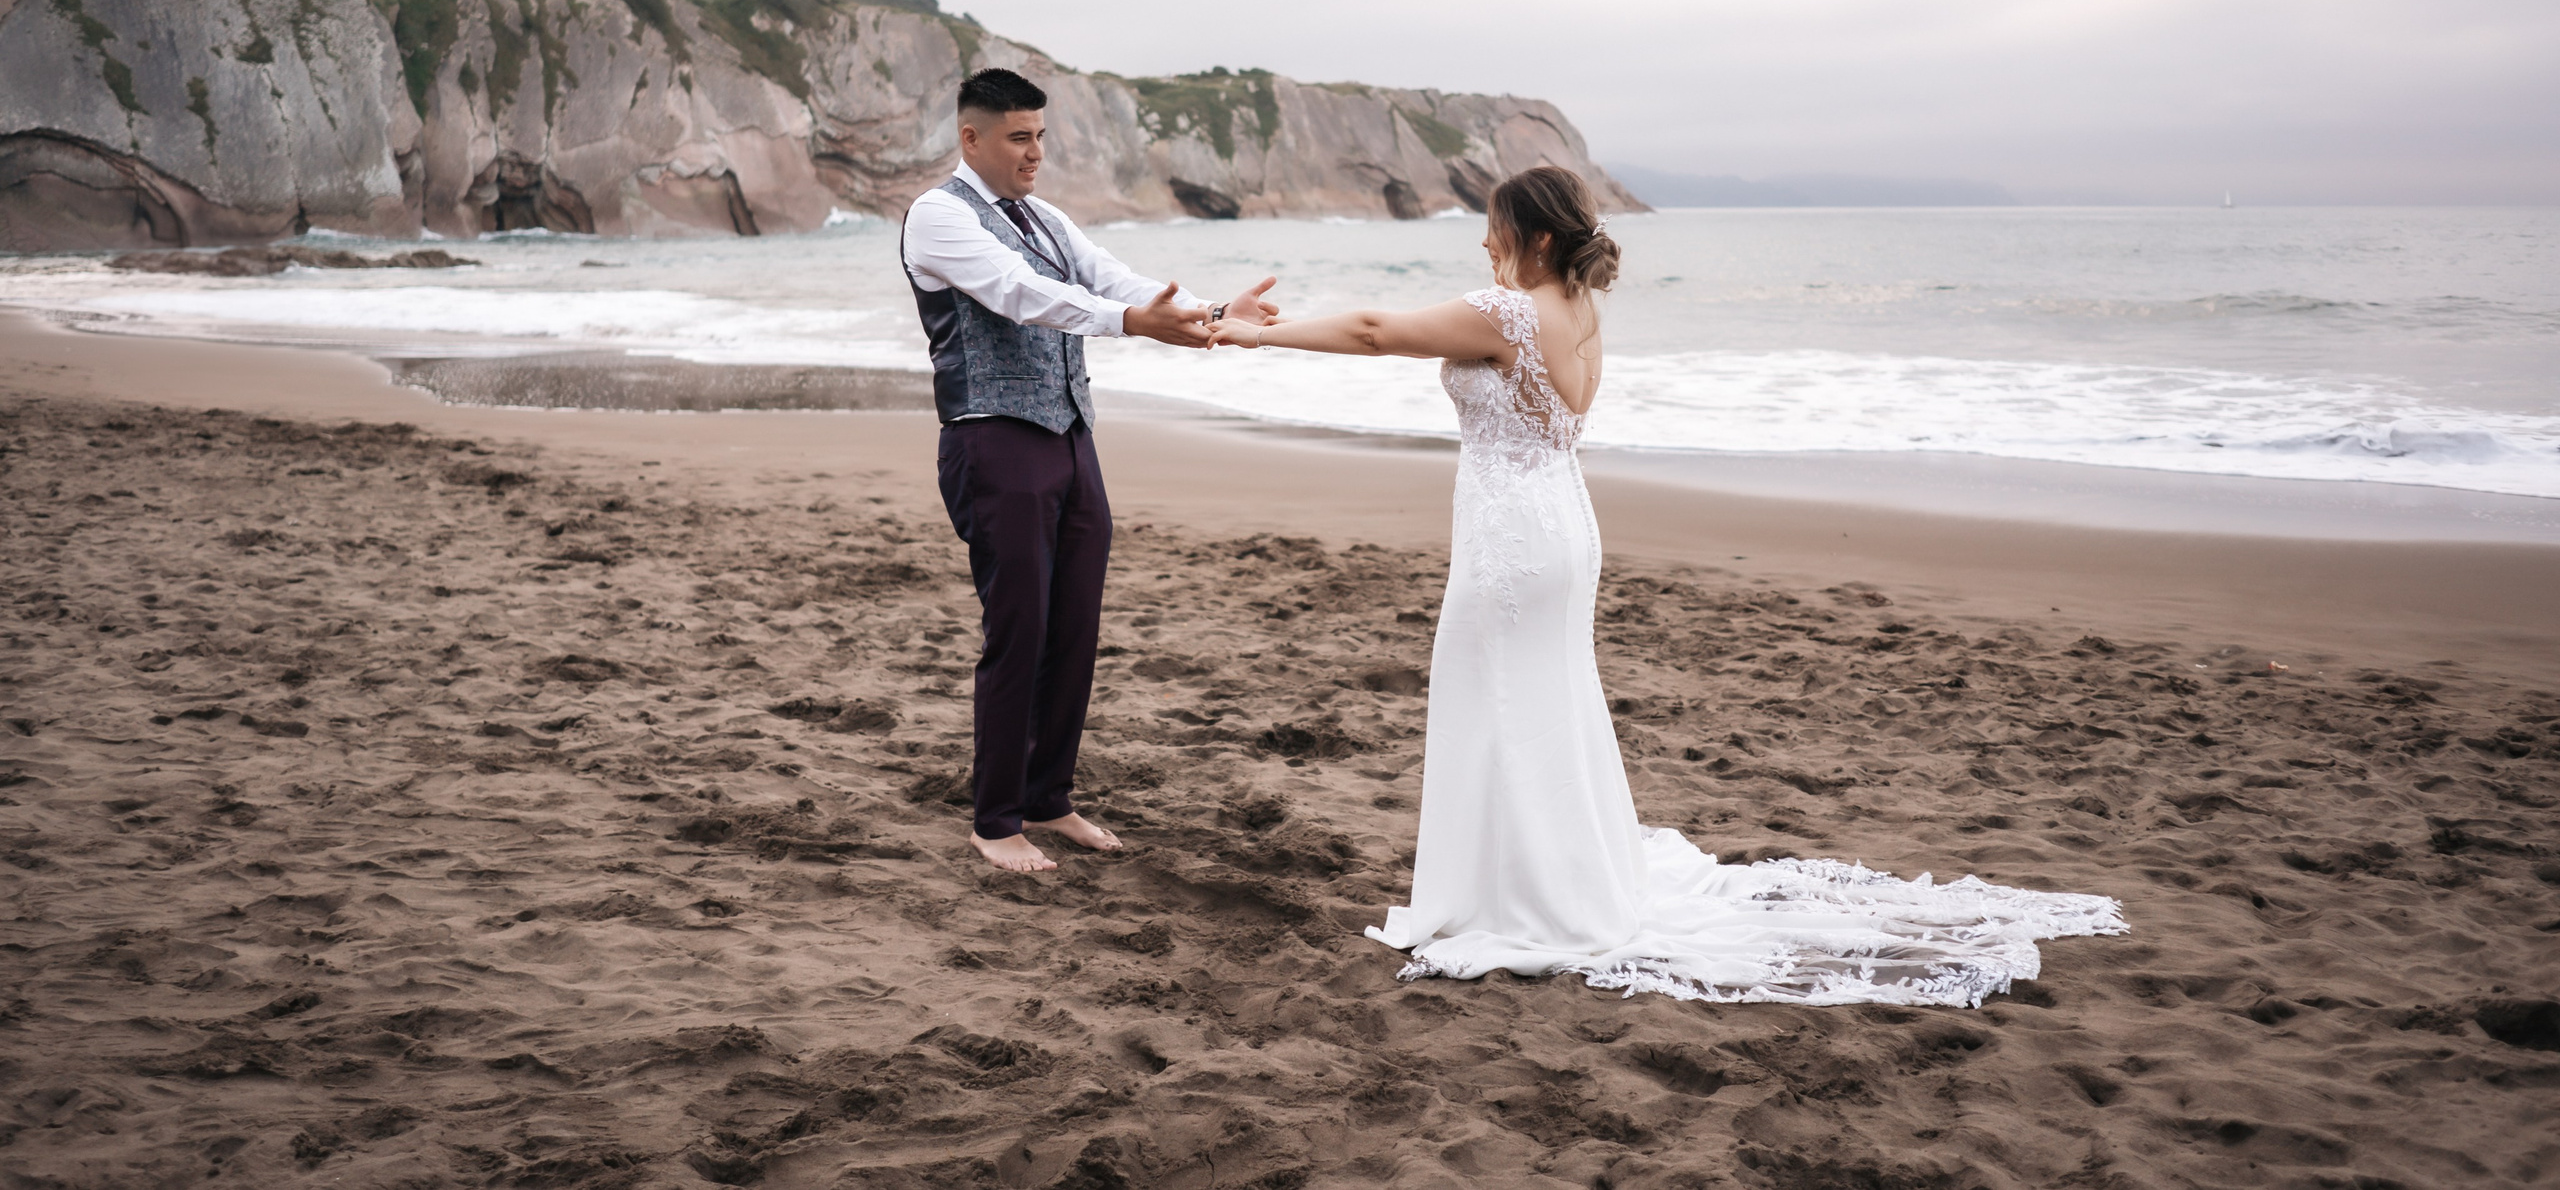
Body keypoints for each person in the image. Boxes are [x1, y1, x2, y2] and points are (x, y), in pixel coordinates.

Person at [1209, 165, 2125, 1004]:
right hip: (1558, 524)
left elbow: (1375, 332)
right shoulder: (1576, 308)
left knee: (1493, 700)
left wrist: (1258, 333)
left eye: (1493, 229)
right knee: (1544, 703)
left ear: (1531, 237)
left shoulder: (1510, 312)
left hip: (1513, 541)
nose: (1482, 244)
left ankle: (1523, 896)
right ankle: (1555, 879)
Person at [903, 66, 1279, 873]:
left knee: (1074, 627)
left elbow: (1115, 279)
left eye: (1041, 134)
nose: (1036, 152)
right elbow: (1019, 293)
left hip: (1071, 437)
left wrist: (1210, 314)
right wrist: (1131, 325)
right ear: (972, 138)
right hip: (993, 439)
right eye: (1019, 137)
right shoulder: (937, 217)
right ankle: (997, 819)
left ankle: (1050, 799)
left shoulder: (1044, 216)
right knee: (1020, 630)